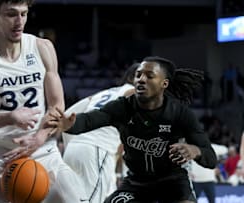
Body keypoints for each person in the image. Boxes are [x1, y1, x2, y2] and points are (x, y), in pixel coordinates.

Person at [0, 0, 85, 202]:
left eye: (23, 14)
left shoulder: (43, 48)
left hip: (43, 151)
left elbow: (56, 105)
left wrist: (39, 137)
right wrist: (9, 117)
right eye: (11, 14)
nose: (19, 22)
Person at [49, 56, 217, 203]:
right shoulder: (127, 102)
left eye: (149, 76)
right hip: (119, 168)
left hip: (171, 181)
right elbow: (94, 122)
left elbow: (210, 159)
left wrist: (194, 150)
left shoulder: (179, 114)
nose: (142, 80)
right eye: (139, 75)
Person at [61, 62, 138, 203]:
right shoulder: (134, 93)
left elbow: (67, 115)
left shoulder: (104, 93)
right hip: (96, 151)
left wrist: (71, 145)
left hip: (75, 149)